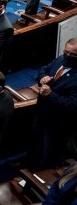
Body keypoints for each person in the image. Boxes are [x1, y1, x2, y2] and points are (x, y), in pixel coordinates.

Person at [31, 38, 77, 169]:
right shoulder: (62, 59)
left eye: (72, 54)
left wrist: (51, 94)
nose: (67, 56)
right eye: (66, 52)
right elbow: (44, 69)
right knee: (35, 142)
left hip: (57, 123)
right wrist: (42, 77)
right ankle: (29, 166)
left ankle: (38, 176)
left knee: (47, 153)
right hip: (42, 113)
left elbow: (73, 105)